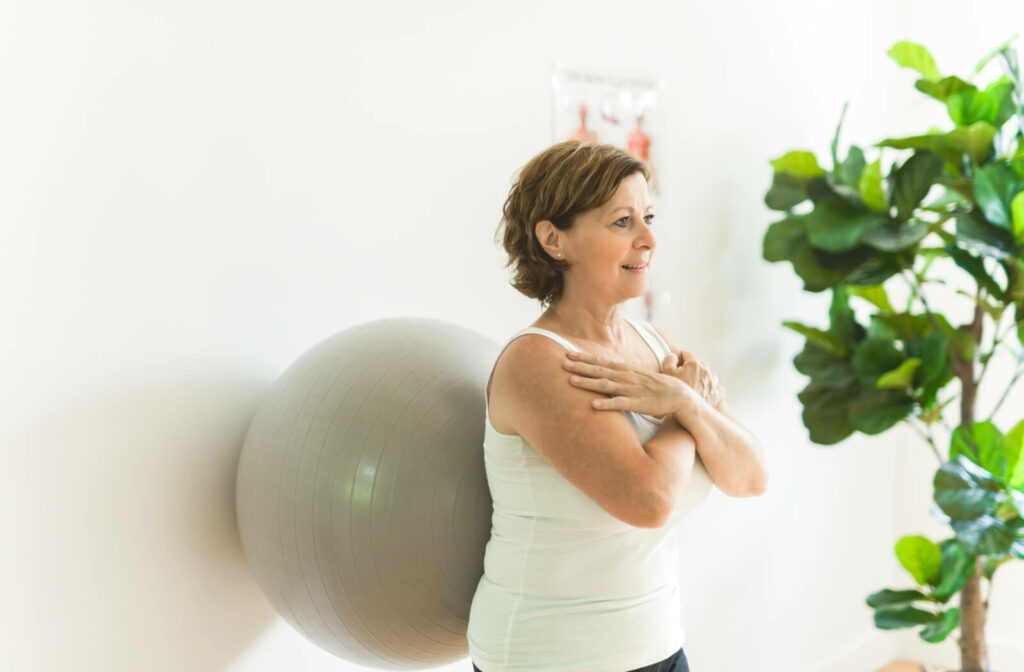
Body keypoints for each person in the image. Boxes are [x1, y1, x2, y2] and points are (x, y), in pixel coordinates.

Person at [466, 140, 767, 672]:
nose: (649, 239)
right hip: (552, 656)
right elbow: (648, 501)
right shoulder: (537, 362)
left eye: (647, 217)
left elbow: (751, 476)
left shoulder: (652, 345)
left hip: (656, 643)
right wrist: (682, 408)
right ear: (554, 238)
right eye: (622, 222)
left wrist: (687, 404)